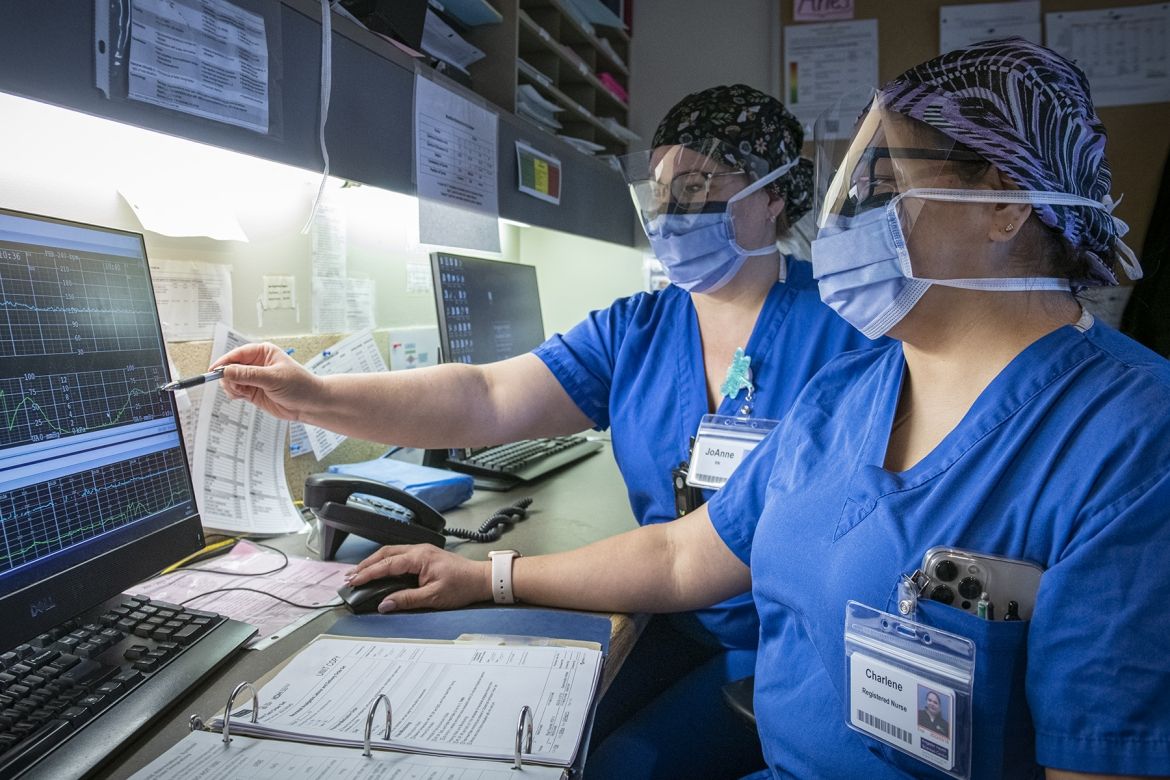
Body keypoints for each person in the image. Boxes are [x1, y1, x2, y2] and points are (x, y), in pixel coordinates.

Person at [340, 38, 1170, 778]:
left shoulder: (1134, 441)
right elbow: (682, 558)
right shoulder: (847, 396)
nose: (853, 215)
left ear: (1005, 201)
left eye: (887, 182)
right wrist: (488, 574)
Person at [215, 84, 874, 778]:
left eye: (700, 186)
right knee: (529, 742)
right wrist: (315, 396)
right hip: (673, 619)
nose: (671, 214)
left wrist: (494, 576)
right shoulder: (640, 329)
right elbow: (485, 395)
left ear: (774, 196)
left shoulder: (847, 331)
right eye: (662, 193)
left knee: (619, 764)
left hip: (788, 645)